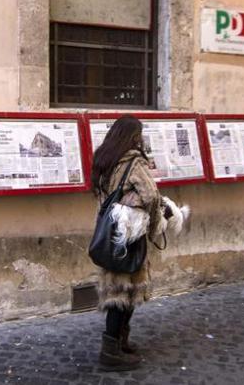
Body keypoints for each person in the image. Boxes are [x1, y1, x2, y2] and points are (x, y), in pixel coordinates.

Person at [90, 115, 167, 372]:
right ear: (133, 136)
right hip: (129, 237)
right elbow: (151, 195)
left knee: (116, 291)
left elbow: (103, 197)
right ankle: (110, 351)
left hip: (109, 234)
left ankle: (120, 343)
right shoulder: (134, 162)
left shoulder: (104, 158)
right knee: (125, 292)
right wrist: (157, 226)